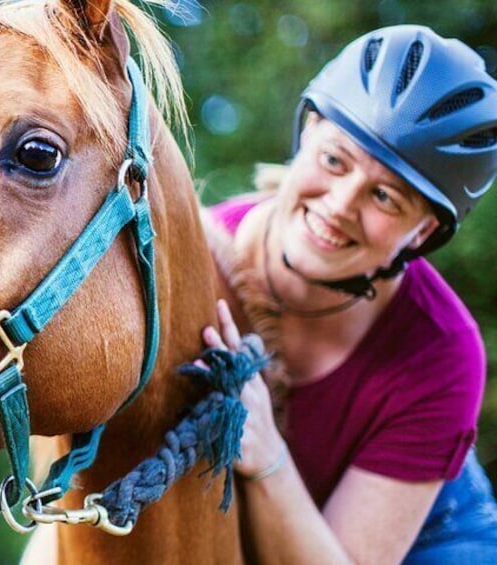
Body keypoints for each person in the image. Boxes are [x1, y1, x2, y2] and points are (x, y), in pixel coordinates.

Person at [200, 25, 497, 563]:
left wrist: (267, 454)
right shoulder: (196, 258)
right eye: (335, 160)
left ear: (421, 234)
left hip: (427, 532)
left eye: (385, 196)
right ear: (309, 132)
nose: (339, 204)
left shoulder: (443, 352)